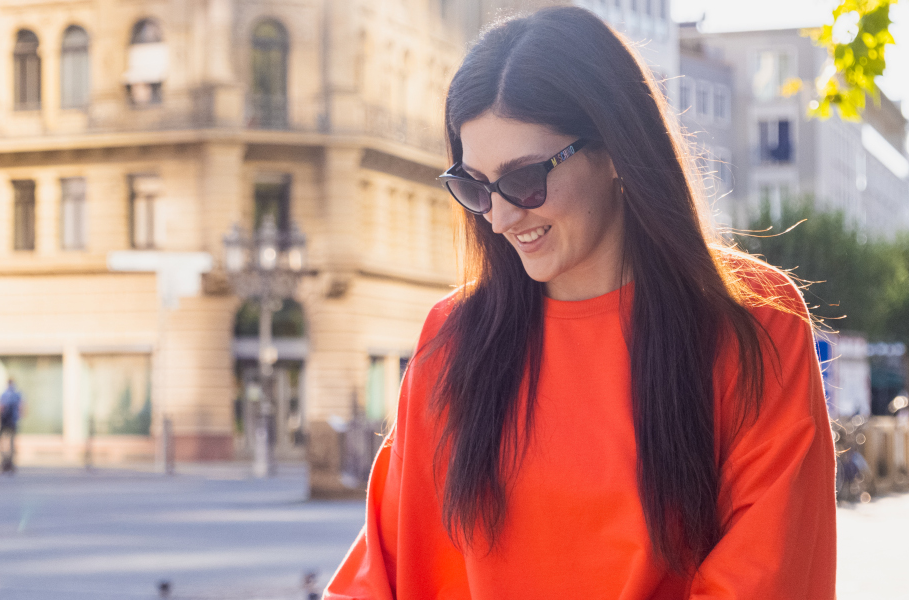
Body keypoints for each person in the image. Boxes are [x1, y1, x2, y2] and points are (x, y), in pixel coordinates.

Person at [326, 8, 834, 599]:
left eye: (524, 180)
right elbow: (384, 569)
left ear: (614, 148)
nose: (500, 217)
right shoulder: (453, 337)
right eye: (475, 186)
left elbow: (765, 575)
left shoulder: (756, 320)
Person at [0, 379, 23, 474]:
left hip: (4, 422)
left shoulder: (3, 394)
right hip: (13, 422)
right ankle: (10, 462)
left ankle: (4, 460)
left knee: (1, 442)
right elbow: (22, 408)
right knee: (11, 443)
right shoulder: (17, 395)